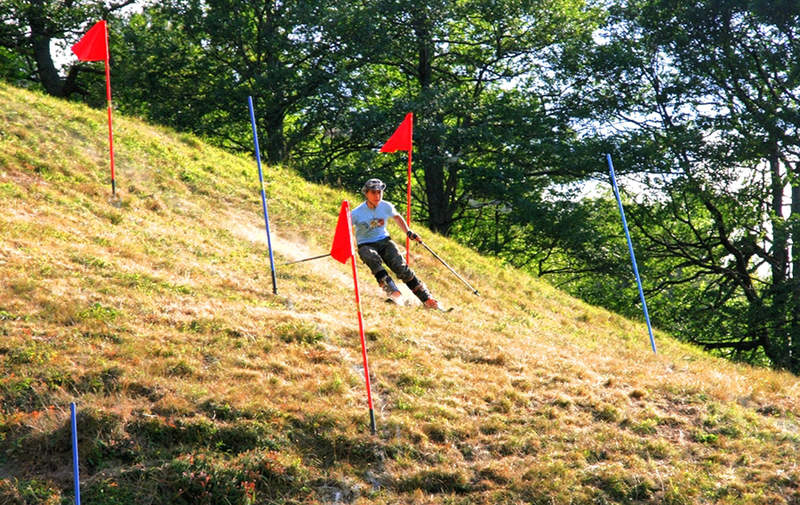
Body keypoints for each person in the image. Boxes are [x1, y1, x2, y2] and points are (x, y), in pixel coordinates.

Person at [351, 178, 440, 309]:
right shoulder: (356, 213)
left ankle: (427, 299)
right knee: (371, 257)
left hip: (384, 241)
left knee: (401, 267)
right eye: (373, 192)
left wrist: (408, 232)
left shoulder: (385, 206)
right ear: (366, 193)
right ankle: (393, 292)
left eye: (379, 192)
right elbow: (345, 227)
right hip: (366, 244)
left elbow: (397, 217)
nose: (377, 196)